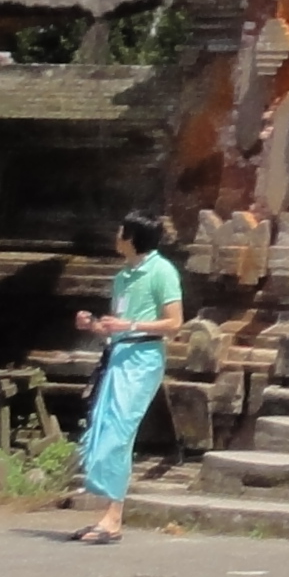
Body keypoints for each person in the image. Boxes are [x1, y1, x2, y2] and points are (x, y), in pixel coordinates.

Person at [69, 209, 181, 542]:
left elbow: (174, 324)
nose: (116, 236)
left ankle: (113, 518)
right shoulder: (123, 276)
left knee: (119, 432)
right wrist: (95, 325)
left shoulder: (162, 271)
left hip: (143, 358)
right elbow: (116, 324)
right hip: (118, 355)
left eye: (121, 231)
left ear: (132, 238)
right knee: (104, 428)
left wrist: (129, 325)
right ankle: (108, 514)